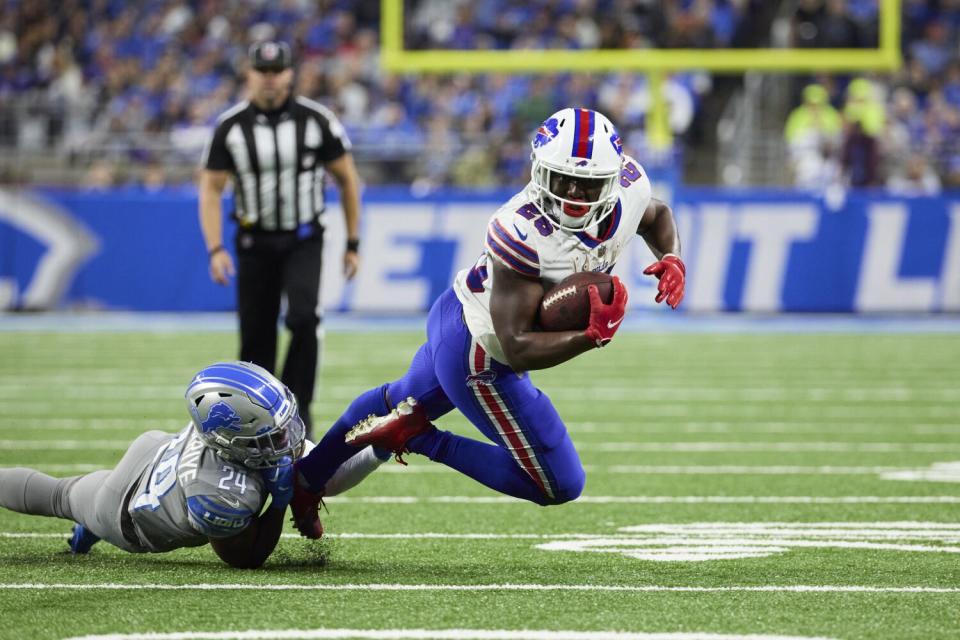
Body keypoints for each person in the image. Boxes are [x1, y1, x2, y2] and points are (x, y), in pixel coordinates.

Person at [289, 108, 685, 538]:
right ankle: (420, 438)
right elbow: (515, 346)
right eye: (561, 179)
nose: (572, 194)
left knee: (397, 399)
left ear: (612, 181)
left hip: (456, 318)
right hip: (480, 353)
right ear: (537, 171)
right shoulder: (519, 228)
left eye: (586, 184)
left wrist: (670, 258)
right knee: (558, 482)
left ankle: (304, 481)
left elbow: (657, 216)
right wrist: (589, 336)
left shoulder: (630, 188)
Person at [0, 362, 386, 566]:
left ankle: (85, 517)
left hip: (157, 452)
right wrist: (281, 499)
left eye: (284, 427)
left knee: (67, 492)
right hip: (125, 511)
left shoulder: (246, 440)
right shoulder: (217, 495)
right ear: (233, 441)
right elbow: (246, 557)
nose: (288, 439)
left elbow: (325, 477)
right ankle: (90, 521)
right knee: (60, 495)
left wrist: (378, 449)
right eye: (273, 436)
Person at [198, 40, 363, 438]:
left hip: (303, 238)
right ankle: (257, 420)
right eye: (262, 71)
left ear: (290, 74)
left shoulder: (317, 120)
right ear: (250, 74)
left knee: (304, 317)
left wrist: (353, 241)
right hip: (254, 243)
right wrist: (216, 247)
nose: (270, 79)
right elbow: (210, 188)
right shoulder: (231, 126)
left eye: (277, 71)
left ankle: (297, 407)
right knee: (256, 338)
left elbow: (347, 179)